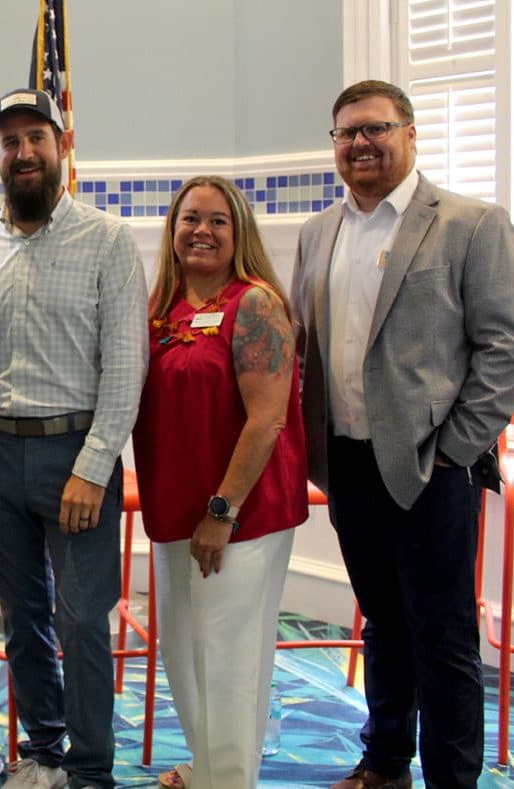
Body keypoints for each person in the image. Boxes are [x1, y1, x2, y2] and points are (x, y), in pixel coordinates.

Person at [292, 80, 514, 789]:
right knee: (384, 625)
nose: (361, 143)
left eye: (376, 128)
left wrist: (457, 448)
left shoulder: (469, 223)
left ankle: (452, 780)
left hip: (435, 468)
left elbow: (509, 347)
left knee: (444, 636)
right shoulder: (318, 232)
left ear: (410, 132)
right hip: (345, 464)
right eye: (346, 133)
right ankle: (386, 761)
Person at [0, 88, 148, 789]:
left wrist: (93, 468)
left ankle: (92, 769)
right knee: (23, 618)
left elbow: (126, 370)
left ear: (64, 144)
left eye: (36, 136)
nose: (24, 151)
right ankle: (44, 750)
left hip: (76, 453)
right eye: (10, 142)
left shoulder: (107, 240)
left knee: (82, 620)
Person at [132, 175, 309, 789]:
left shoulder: (254, 303)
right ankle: (208, 764)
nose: (201, 231)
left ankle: (228, 779)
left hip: (239, 514)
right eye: (190, 219)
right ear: (172, 230)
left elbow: (269, 418)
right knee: (185, 654)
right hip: (173, 506)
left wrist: (222, 509)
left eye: (217, 221)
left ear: (240, 234)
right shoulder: (161, 306)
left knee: (230, 657)